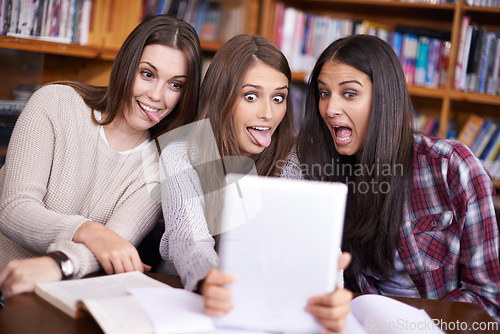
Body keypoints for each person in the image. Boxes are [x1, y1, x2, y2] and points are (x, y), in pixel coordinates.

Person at [280, 34, 500, 321]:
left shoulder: (452, 168)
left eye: (349, 93)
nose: (330, 109)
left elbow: (487, 299)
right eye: (324, 93)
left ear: (384, 98)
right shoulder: (317, 170)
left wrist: (413, 325)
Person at [158, 34, 352, 333]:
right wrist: (211, 280)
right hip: (190, 307)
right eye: (251, 96)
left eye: (278, 98)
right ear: (222, 96)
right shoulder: (181, 154)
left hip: (269, 312)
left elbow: (309, 243)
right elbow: (189, 237)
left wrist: (329, 284)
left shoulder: (293, 159)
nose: (268, 113)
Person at [0, 14, 202, 299]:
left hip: (56, 301)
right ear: (126, 65)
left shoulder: (160, 166)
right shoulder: (55, 104)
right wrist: (90, 231)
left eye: (175, 85)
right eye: (147, 74)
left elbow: (114, 249)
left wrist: (61, 263)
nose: (158, 96)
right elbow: (13, 209)